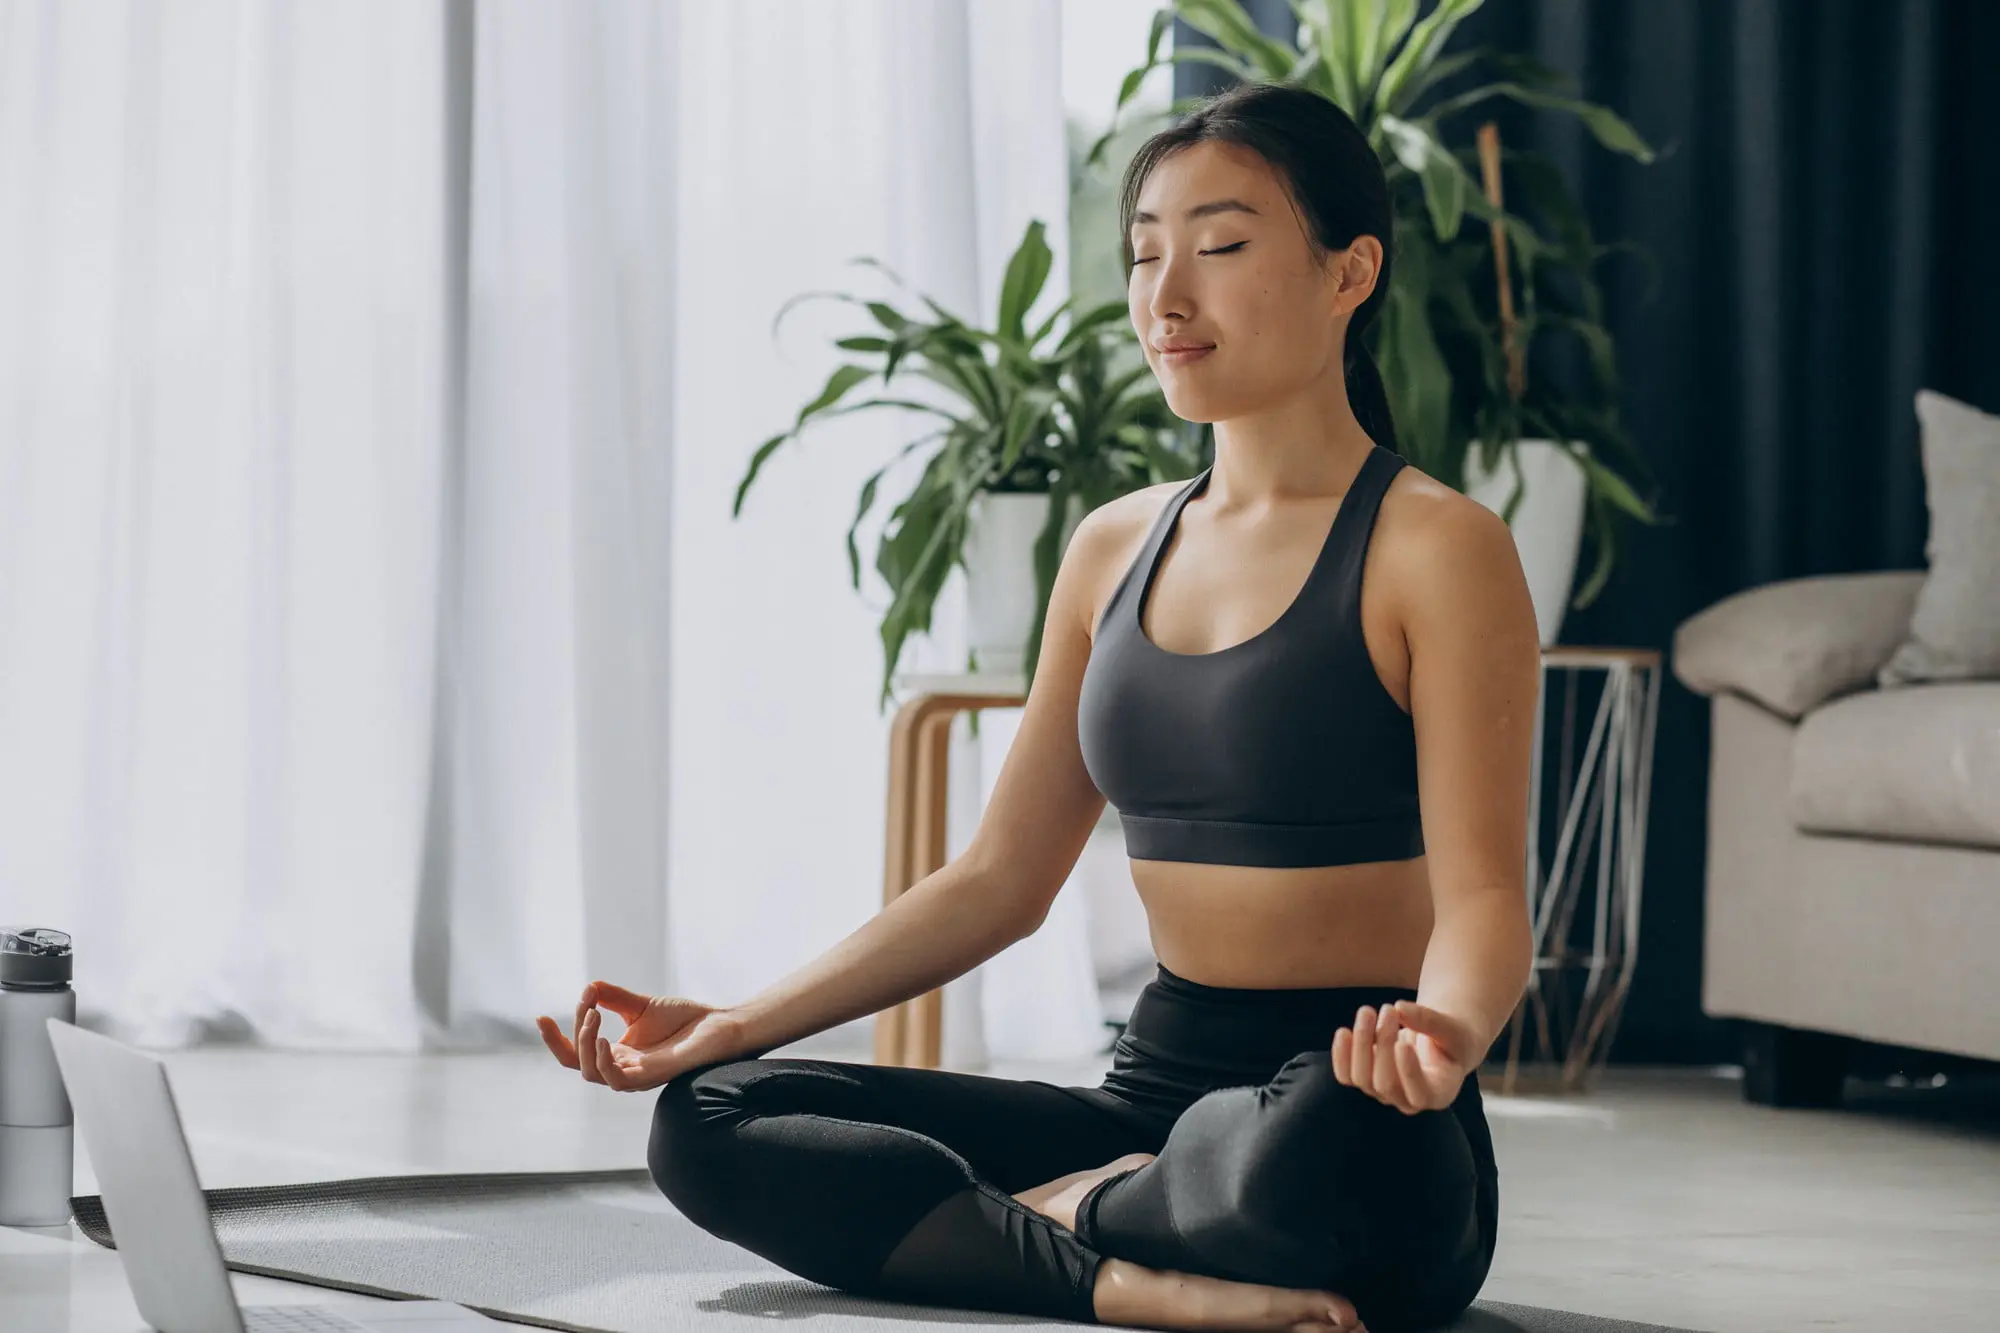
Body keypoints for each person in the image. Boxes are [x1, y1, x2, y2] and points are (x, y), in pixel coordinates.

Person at [536, 79, 1539, 1333]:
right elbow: (998, 880)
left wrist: (1437, 1037)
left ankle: (1052, 1214)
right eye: (1143, 256)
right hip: (1147, 1102)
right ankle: (1116, 1268)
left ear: (1350, 272)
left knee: (1324, 1151)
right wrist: (730, 1020)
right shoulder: (1111, 547)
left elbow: (1488, 895)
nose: (1166, 299)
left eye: (1221, 248)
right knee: (710, 1116)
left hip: (1346, 1103)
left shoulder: (1436, 547)